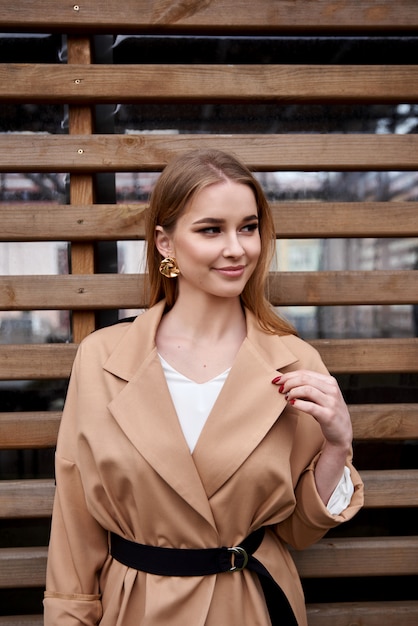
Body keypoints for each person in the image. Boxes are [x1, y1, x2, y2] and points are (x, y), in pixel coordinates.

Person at [44, 148, 363, 626]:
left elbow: (298, 532)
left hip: (251, 605)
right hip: (136, 607)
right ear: (165, 243)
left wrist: (339, 444)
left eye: (249, 227)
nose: (237, 248)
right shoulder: (103, 359)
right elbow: (75, 518)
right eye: (212, 229)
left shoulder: (295, 360)